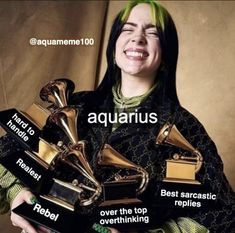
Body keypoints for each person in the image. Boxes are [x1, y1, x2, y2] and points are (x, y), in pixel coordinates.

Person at [0, 0, 234, 233]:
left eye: (152, 32)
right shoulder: (73, 104)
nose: (138, 37)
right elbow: (8, 152)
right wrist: (17, 192)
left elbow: (221, 212)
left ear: (166, 53)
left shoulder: (184, 126)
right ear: (113, 46)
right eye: (128, 29)